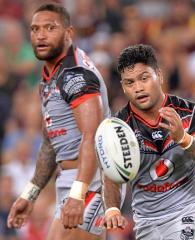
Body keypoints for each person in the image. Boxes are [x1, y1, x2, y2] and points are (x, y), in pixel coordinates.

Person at [6, 3, 125, 240]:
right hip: (74, 179)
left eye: (50, 28)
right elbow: (50, 144)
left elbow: (92, 136)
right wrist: (30, 194)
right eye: (35, 29)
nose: (40, 35)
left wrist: (78, 194)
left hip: (91, 179)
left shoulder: (76, 75)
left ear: (68, 33)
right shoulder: (50, 78)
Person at [101, 44, 195, 240]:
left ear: (159, 75)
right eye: (130, 83)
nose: (138, 88)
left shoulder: (188, 112)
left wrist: (183, 138)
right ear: (124, 87)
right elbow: (111, 176)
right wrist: (113, 209)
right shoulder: (119, 127)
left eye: (144, 78)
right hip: (147, 221)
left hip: (189, 210)